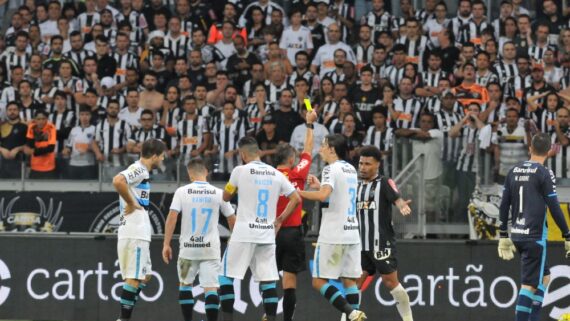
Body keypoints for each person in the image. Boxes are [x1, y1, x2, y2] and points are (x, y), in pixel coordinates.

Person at [219, 137, 301, 321]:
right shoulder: (276, 174)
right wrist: (280, 220)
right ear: (259, 152)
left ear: (242, 154)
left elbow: (225, 196)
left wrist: (236, 188)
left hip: (244, 233)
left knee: (225, 277)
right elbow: (296, 198)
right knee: (268, 282)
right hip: (266, 234)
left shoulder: (240, 170)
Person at [497, 133, 570, 321]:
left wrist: (503, 234)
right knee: (529, 285)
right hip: (535, 237)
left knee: (545, 278)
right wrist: (567, 234)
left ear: (530, 149)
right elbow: (554, 206)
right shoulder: (545, 173)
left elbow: (504, 204)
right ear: (550, 151)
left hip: (518, 234)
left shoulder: (513, 171)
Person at [298, 134, 367, 321]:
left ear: (332, 149)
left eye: (323, 145)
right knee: (349, 281)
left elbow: (323, 196)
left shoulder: (330, 169)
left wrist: (298, 192)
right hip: (352, 233)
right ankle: (354, 314)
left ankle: (352, 313)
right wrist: (320, 186)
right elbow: (336, 195)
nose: (320, 149)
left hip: (333, 234)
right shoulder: (351, 169)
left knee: (318, 281)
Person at [162, 158, 236, 321]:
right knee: (211, 289)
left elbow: (172, 217)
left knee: (185, 284)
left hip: (188, 250)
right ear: (206, 172)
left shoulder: (182, 192)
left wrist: (166, 243)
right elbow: (231, 219)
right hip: (210, 249)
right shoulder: (218, 193)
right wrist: (234, 240)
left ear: (189, 174)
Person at [356, 145, 413, 321]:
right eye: (361, 163)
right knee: (354, 285)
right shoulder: (355, 185)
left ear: (377, 165)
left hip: (381, 244)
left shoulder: (384, 182)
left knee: (391, 283)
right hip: (360, 245)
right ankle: (347, 317)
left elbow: (397, 199)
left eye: (367, 164)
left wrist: (402, 205)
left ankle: (408, 319)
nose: (363, 167)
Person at [112, 138, 166, 321]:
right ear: (155, 156)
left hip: (136, 232)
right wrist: (131, 203)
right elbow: (118, 181)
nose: (163, 159)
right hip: (134, 232)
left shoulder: (142, 171)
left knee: (145, 276)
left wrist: (131, 201)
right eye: (162, 156)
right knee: (134, 278)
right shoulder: (140, 169)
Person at [274, 109, 317, 321]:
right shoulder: (297, 173)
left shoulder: (267, 175)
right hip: (292, 232)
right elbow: (308, 149)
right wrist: (309, 124)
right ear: (291, 159)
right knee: (289, 281)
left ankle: (269, 315)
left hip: (269, 233)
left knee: (267, 277)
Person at [24, 109, 57, 179]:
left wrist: (34, 151)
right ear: (35, 120)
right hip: (35, 166)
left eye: (43, 119)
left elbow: (50, 148)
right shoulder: (31, 127)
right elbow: (30, 145)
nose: (41, 121)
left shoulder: (51, 128)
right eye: (38, 119)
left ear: (47, 119)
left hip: (49, 167)